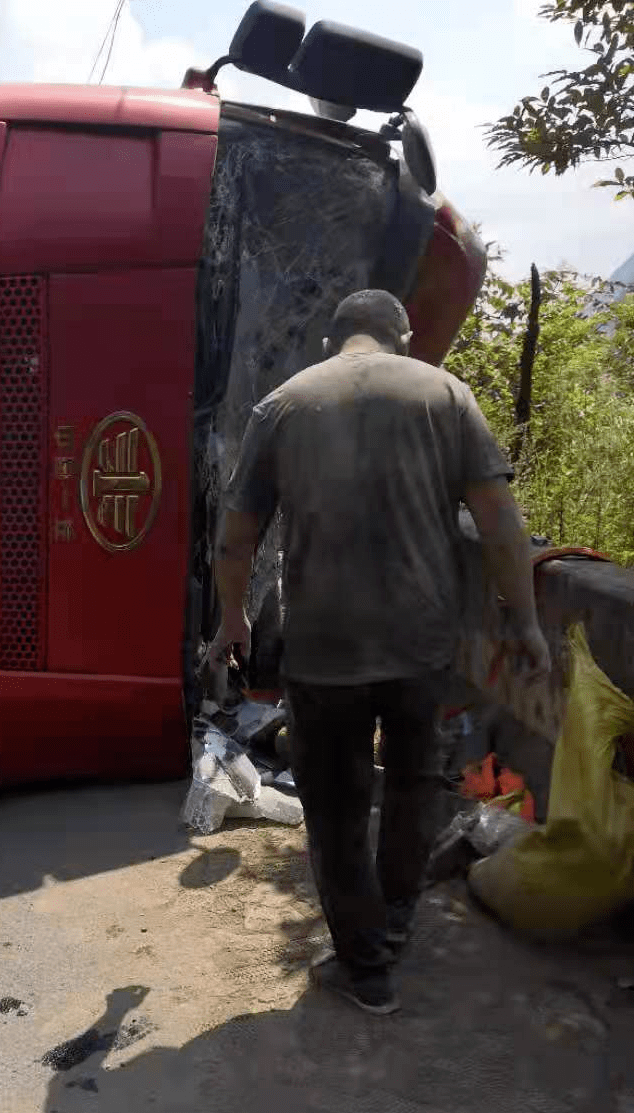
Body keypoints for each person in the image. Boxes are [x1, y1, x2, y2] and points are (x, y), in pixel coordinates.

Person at [206, 289, 550, 1016]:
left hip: (324, 650)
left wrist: (233, 618)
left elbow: (237, 538)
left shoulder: (283, 406)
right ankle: (395, 923)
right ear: (403, 334)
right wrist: (522, 620)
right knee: (414, 786)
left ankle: (366, 968)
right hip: (421, 644)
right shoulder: (446, 395)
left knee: (334, 807)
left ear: (333, 340)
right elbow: (499, 525)